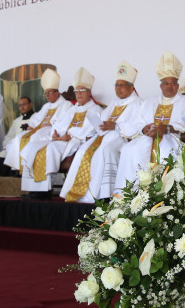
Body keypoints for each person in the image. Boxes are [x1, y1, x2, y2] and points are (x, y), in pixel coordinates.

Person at [60, 61, 142, 203]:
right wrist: (94, 131)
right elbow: (102, 120)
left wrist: (116, 126)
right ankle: (80, 194)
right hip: (103, 136)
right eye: (116, 85)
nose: (118, 89)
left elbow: (137, 126)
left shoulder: (138, 103)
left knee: (104, 151)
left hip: (122, 138)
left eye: (122, 85)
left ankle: (105, 194)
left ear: (131, 87)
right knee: (82, 151)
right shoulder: (114, 102)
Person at [22, 67, 103, 200]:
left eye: (82, 90)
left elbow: (92, 132)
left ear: (89, 92)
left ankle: (44, 191)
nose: (79, 93)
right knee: (32, 146)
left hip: (76, 142)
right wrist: (55, 134)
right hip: (62, 140)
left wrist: (70, 136)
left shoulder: (96, 110)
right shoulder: (72, 109)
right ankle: (33, 189)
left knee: (50, 148)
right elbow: (58, 124)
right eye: (77, 90)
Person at [114, 51, 185, 192]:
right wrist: (144, 129)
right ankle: (129, 194)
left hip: (172, 139)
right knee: (129, 150)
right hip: (147, 138)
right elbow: (137, 123)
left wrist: (167, 128)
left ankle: (165, 194)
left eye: (173, 83)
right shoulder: (148, 103)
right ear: (161, 86)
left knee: (166, 151)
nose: (169, 86)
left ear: (178, 86)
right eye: (165, 83)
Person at [4, 68, 72, 173]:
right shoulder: (46, 106)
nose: (47, 95)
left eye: (50, 92)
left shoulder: (66, 105)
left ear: (57, 92)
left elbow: (65, 122)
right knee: (19, 137)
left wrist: (51, 123)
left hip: (51, 131)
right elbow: (36, 119)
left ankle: (29, 169)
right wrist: (32, 126)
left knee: (34, 139)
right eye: (46, 93)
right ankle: (19, 168)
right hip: (39, 130)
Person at [0, 96, 35, 177]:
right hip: (14, 147)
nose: (22, 107)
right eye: (20, 105)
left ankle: (15, 181)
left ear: (31, 104)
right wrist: (7, 147)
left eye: (24, 104)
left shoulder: (37, 117)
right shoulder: (17, 121)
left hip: (28, 147)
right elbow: (9, 136)